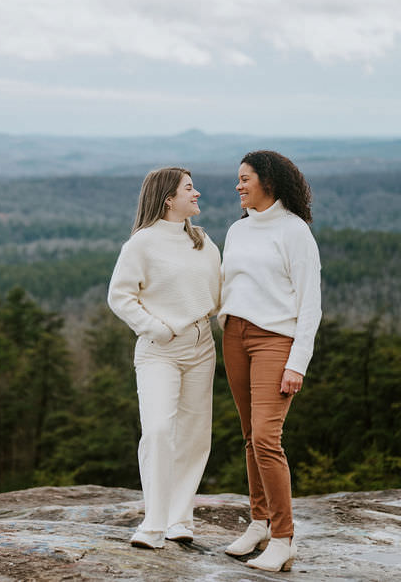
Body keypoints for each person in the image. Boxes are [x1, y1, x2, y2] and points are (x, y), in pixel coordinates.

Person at [218, 150, 322, 572]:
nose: (238, 186)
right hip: (234, 336)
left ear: (269, 182)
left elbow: (310, 304)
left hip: (275, 341)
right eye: (238, 179)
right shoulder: (238, 230)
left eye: (245, 179)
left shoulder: (294, 232)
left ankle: (284, 537)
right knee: (249, 435)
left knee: (266, 438)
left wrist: (297, 362)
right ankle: (258, 522)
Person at [107, 166, 221, 549]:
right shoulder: (141, 243)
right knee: (157, 430)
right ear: (168, 198)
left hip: (202, 345)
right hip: (160, 350)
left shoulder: (203, 242)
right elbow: (120, 296)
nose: (197, 193)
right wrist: (157, 328)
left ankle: (180, 519)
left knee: (193, 435)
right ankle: (152, 525)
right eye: (189, 188)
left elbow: (221, 295)